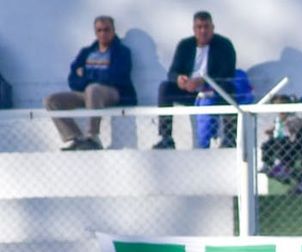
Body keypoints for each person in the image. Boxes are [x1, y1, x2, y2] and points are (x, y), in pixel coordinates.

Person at [44, 15, 137, 151]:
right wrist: (92, 77)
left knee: (93, 89)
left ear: (113, 31)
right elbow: (73, 80)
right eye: (99, 30)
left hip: (112, 93)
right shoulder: (86, 52)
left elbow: (115, 76)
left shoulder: (122, 52)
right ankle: (76, 138)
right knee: (51, 100)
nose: (103, 34)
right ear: (95, 32)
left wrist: (86, 74)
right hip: (87, 93)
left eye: (106, 30)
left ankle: (93, 137)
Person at [154, 11, 237, 149]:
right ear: (194, 29)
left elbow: (227, 72)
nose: (203, 31)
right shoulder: (185, 45)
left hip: (214, 91)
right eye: (199, 27)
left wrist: (204, 81)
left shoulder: (224, 45)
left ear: (212, 28)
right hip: (190, 92)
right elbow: (172, 72)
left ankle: (229, 138)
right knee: (165, 88)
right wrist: (179, 79)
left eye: (206, 27)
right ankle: (166, 138)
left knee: (228, 87)